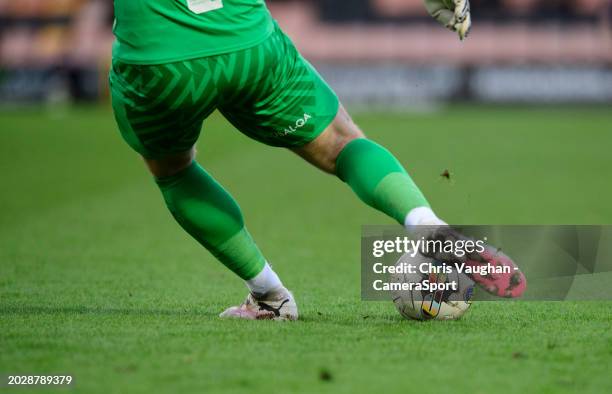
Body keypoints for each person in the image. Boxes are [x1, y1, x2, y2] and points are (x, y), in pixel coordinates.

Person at [109, 0, 522, 321]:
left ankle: (270, 298)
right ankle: (424, 223)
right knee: (342, 144)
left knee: (175, 172)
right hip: (248, 41)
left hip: (158, 61)